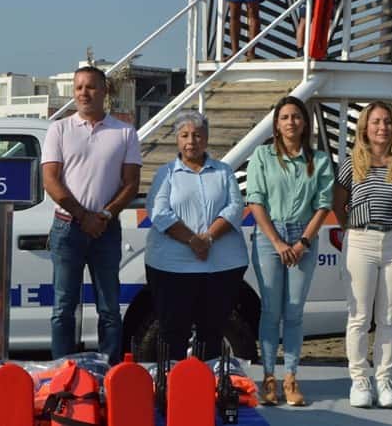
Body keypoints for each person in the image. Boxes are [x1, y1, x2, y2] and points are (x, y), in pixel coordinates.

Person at [42, 65, 142, 365]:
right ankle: (63, 372)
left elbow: (131, 183)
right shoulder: (58, 129)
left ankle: (109, 372)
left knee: (109, 308)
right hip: (67, 229)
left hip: (106, 230)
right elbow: (51, 180)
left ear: (105, 91)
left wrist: (104, 215)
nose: (84, 93)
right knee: (63, 307)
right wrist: (82, 215)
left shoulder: (124, 132)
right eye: (79, 88)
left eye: (91, 87)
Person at [246, 96, 334, 406]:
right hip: (270, 236)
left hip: (304, 236)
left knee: (294, 311)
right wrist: (278, 243)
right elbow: (255, 201)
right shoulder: (262, 155)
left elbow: (324, 205)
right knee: (271, 310)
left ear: (305, 122)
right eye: (285, 117)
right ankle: (269, 377)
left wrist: (303, 243)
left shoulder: (320, 159)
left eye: (296, 116)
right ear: (277, 123)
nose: (291, 122)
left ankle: (291, 377)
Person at [145, 110, 247, 362]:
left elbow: (235, 207)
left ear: (207, 138)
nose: (192, 141)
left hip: (220, 267)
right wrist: (193, 241)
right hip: (172, 269)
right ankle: (171, 386)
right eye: (185, 135)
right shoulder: (166, 173)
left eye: (198, 135)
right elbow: (159, 213)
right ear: (177, 140)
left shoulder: (223, 171)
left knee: (211, 331)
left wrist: (208, 238)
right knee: (172, 331)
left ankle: (205, 389)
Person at [333, 101, 392, 409]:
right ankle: (360, 380)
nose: (383, 127)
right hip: (361, 240)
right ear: (365, 127)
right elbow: (339, 206)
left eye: (388, 122)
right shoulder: (352, 164)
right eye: (377, 122)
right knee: (359, 317)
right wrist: (354, 230)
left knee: (389, 318)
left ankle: (384, 378)